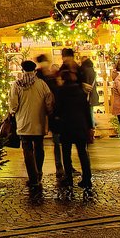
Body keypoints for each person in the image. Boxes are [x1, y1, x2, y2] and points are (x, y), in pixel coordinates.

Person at [11, 60, 54, 194]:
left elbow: (13, 105)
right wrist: (48, 112)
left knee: (27, 150)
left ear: (22, 70)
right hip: (39, 122)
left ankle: (33, 177)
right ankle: (39, 171)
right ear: (34, 70)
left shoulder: (17, 85)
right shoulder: (41, 84)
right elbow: (49, 100)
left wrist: (13, 112)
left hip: (23, 123)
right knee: (39, 147)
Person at [52, 63, 93, 191]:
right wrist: (90, 126)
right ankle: (87, 178)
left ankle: (69, 178)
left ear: (62, 79)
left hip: (66, 126)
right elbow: (86, 110)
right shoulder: (80, 92)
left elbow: (57, 110)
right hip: (80, 126)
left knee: (66, 153)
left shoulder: (60, 92)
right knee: (82, 153)